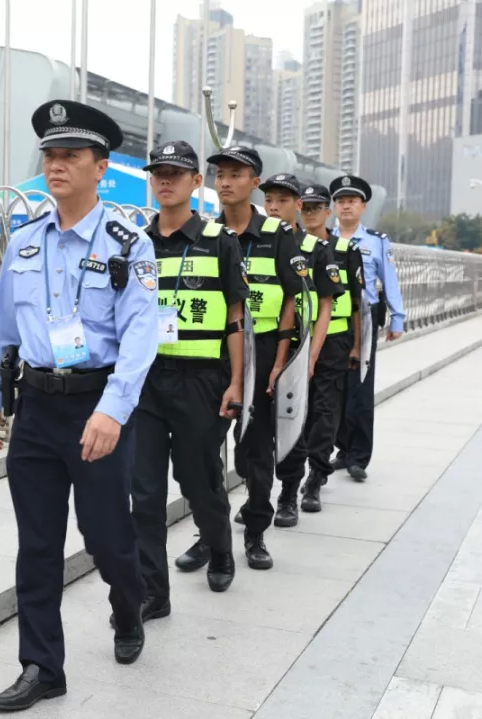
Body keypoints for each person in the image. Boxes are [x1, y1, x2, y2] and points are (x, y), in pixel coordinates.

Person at [0, 100, 159, 712]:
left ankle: (128, 604)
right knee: (37, 544)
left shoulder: (128, 245)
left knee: (106, 537)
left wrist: (113, 411)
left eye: (70, 156)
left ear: (100, 167)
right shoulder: (25, 241)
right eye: (50, 155)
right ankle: (41, 666)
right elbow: (2, 327)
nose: (55, 165)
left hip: (96, 406)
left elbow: (141, 336)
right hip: (36, 408)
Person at [129, 140, 247, 618]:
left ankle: (219, 549)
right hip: (146, 382)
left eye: (176, 173)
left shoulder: (220, 241)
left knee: (199, 481)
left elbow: (237, 319)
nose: (165, 180)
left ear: (196, 182)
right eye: (158, 172)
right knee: (144, 492)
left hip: (202, 381)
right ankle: (152, 593)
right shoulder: (136, 242)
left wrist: (237, 383)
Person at [210, 146, 305, 570]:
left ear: (254, 182)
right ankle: (208, 533)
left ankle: (254, 532)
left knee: (256, 446)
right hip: (212, 350)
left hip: (263, 350)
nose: (225, 182)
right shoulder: (206, 232)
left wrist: (280, 363)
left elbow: (290, 300)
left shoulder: (277, 233)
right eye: (220, 175)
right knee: (204, 446)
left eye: (236, 174)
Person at [259, 174, 343, 525]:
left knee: (292, 421)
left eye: (282, 201)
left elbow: (326, 304)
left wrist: (311, 355)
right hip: (261, 345)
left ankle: (288, 494)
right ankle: (257, 496)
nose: (273, 207)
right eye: (269, 200)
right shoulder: (255, 242)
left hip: (297, 348)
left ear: (297, 205)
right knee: (256, 429)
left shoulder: (314, 248)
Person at [331, 174, 405, 482]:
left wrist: (397, 318)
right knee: (333, 385)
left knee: (360, 386)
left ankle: (359, 457)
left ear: (362, 207)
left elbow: (389, 281)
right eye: (340, 201)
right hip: (332, 318)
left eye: (352, 201)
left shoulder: (376, 241)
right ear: (334, 207)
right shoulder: (324, 238)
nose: (346, 206)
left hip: (364, 317)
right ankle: (342, 448)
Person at [296, 184, 365, 512]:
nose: (310, 214)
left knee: (326, 410)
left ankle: (315, 476)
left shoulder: (344, 249)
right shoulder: (290, 246)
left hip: (335, 341)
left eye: (317, 208)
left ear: (328, 212)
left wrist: (357, 346)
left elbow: (357, 303)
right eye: (306, 207)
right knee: (300, 410)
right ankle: (294, 473)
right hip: (298, 339)